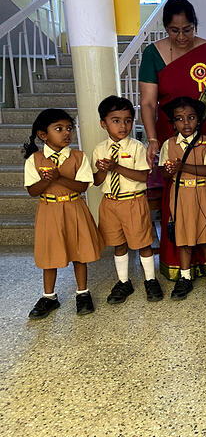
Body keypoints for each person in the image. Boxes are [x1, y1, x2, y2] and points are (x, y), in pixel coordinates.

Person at [139, 0, 206, 282]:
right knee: (177, 196)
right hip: (170, 135)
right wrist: (151, 138)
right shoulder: (152, 54)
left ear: (195, 25)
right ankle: (179, 265)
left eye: (188, 29)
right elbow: (147, 103)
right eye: (174, 30)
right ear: (165, 29)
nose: (182, 37)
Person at [23, 109, 104, 318]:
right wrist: (47, 180)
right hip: (49, 211)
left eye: (69, 128)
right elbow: (32, 191)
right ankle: (49, 296)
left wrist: (57, 177)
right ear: (43, 135)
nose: (66, 133)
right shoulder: (35, 160)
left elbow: (82, 187)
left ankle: (83, 293)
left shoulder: (78, 157)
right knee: (50, 254)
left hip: (74, 207)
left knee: (79, 251)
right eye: (59, 129)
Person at [92, 96, 162, 304]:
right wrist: (104, 171)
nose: (123, 126)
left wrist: (116, 167)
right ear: (103, 123)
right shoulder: (99, 149)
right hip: (110, 202)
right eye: (116, 120)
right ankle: (124, 281)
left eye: (128, 120)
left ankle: (150, 280)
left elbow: (142, 176)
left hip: (133, 201)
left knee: (143, 242)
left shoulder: (137, 147)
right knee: (118, 243)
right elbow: (96, 182)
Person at [158, 97, 206, 301]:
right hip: (181, 195)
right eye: (180, 119)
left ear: (199, 120)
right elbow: (164, 173)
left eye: (191, 118)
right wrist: (169, 170)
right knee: (183, 238)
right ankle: (184, 277)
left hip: (203, 193)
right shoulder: (169, 144)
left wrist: (182, 167)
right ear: (173, 123)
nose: (186, 123)